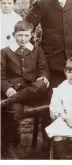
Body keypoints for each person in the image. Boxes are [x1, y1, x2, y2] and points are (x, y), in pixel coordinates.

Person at [1, 20, 50, 158]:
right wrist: (7, 87)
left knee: (44, 88)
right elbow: (1, 75)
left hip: (34, 90)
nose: (23, 39)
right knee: (13, 113)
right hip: (14, 91)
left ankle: (48, 144)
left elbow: (44, 69)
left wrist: (44, 77)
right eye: (20, 35)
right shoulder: (5, 52)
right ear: (13, 35)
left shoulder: (37, 50)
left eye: (26, 36)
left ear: (32, 36)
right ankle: (9, 145)